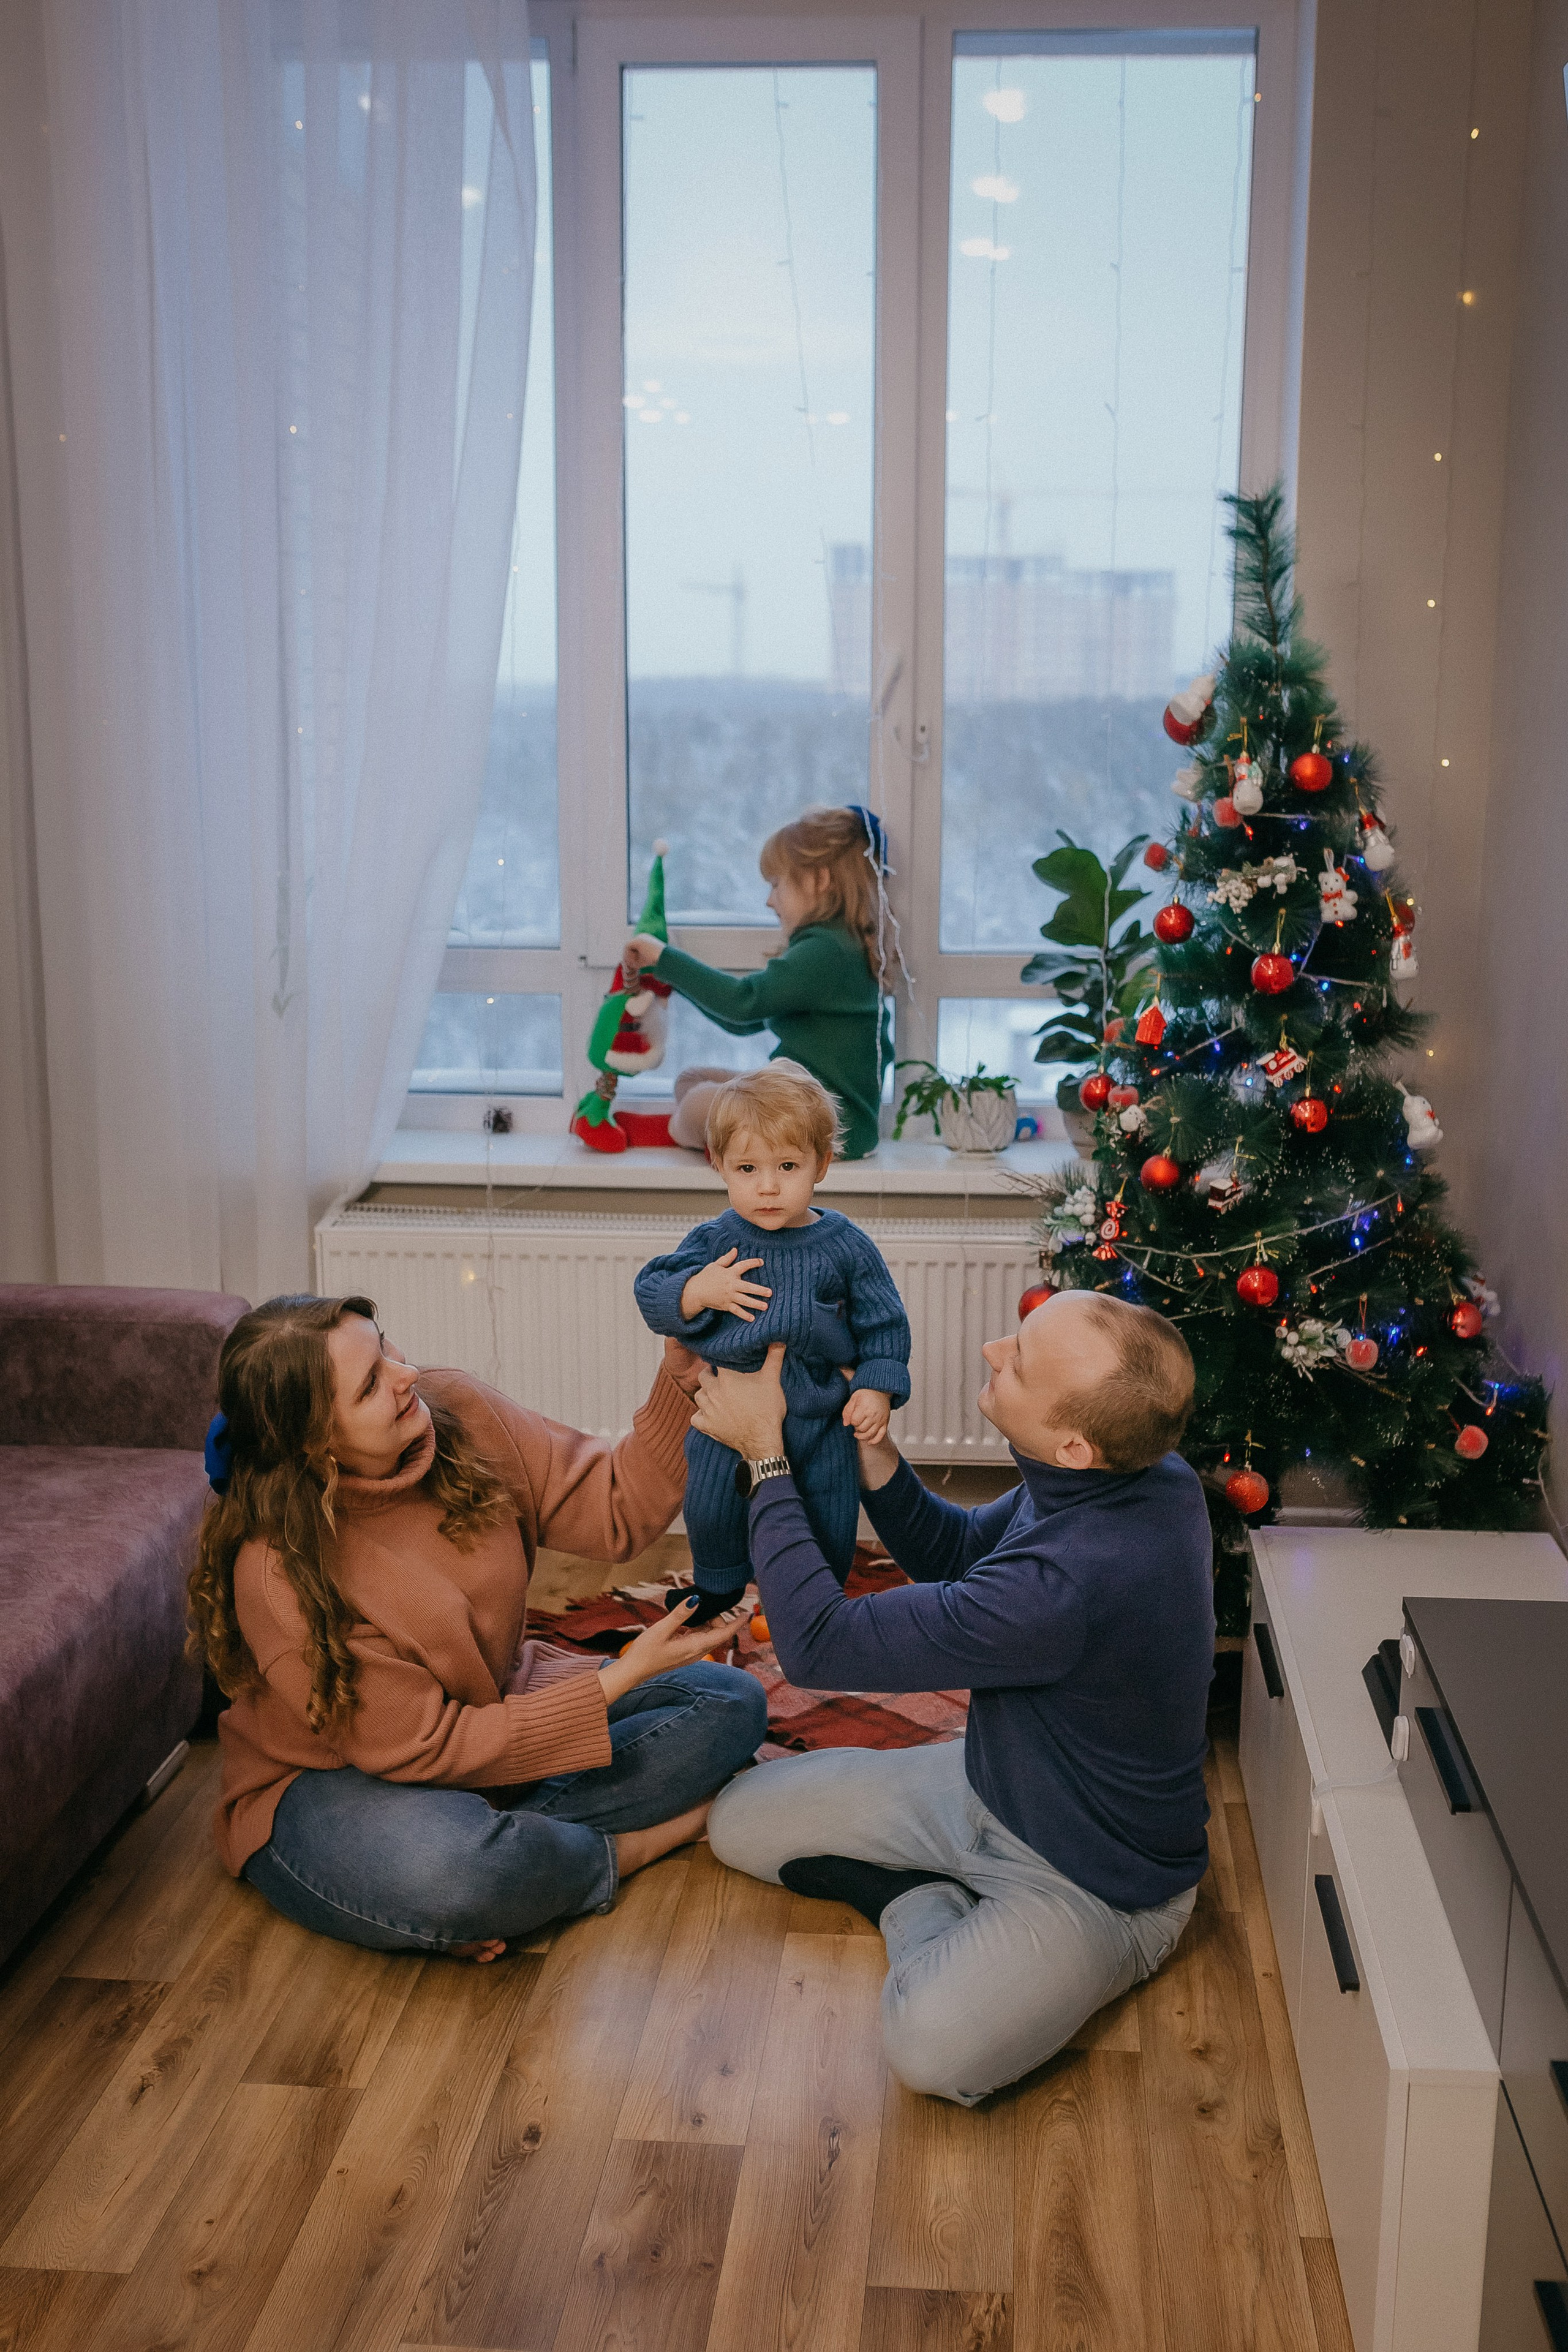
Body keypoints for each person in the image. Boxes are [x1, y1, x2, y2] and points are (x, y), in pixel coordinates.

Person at [698, 1289, 1215, 2106]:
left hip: (1096, 1884)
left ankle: (919, 1903)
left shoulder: (1062, 1587)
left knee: (932, 2051)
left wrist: (764, 1457)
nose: (991, 1350)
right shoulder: (1140, 1476)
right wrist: (878, 1461)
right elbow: (960, 1551)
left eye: (1020, 1359)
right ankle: (938, 1895)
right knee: (738, 1822)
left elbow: (815, 1644)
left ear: (1075, 1444)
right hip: (989, 1785)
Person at [187, 1292, 766, 1960]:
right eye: (371, 1384)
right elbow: (423, 1747)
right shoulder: (280, 1573)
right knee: (456, 1873)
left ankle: (505, 1867)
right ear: (317, 1443)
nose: (406, 1375)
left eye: (386, 1348)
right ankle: (624, 1847)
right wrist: (621, 1679)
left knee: (729, 1702)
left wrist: (680, 1383)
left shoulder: (458, 1409)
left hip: (494, 1709)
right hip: (336, 1780)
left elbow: (616, 1508)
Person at [634, 1061, 911, 1621]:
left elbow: (884, 1324)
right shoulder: (715, 1239)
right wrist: (697, 1290)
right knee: (712, 1504)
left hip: (817, 1412)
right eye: (748, 1167)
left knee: (827, 1513)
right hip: (728, 1407)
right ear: (720, 1168)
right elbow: (651, 1289)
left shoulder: (845, 1245)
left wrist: (878, 1390)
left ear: (822, 1165)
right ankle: (719, 1583)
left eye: (787, 1166)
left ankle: (813, 1599)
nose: (767, 1185)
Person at [622, 803, 894, 1161]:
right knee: (691, 1079)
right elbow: (746, 1021)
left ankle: (693, 1134)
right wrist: (671, 977)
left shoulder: (826, 950)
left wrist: (664, 958)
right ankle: (709, 1137)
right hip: (805, 1108)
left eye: (777, 885)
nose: (769, 900)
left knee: (696, 1103)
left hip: (826, 1127)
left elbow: (742, 1002)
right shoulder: (835, 945)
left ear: (820, 879)